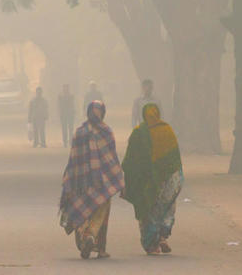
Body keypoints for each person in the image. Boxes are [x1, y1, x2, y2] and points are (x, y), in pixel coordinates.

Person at [59, 101, 125, 259]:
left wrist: (69, 181)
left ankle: (86, 237)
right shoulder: (106, 132)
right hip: (103, 183)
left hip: (81, 182)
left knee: (83, 211)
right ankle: (99, 246)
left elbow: (73, 159)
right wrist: (119, 178)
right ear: (103, 113)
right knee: (102, 213)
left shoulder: (79, 132)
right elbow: (112, 158)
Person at [122, 103, 183, 255]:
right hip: (167, 180)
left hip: (147, 183)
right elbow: (175, 161)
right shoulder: (167, 130)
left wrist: (128, 180)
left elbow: (130, 161)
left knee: (148, 211)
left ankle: (152, 244)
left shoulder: (138, 133)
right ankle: (162, 237)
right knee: (166, 209)